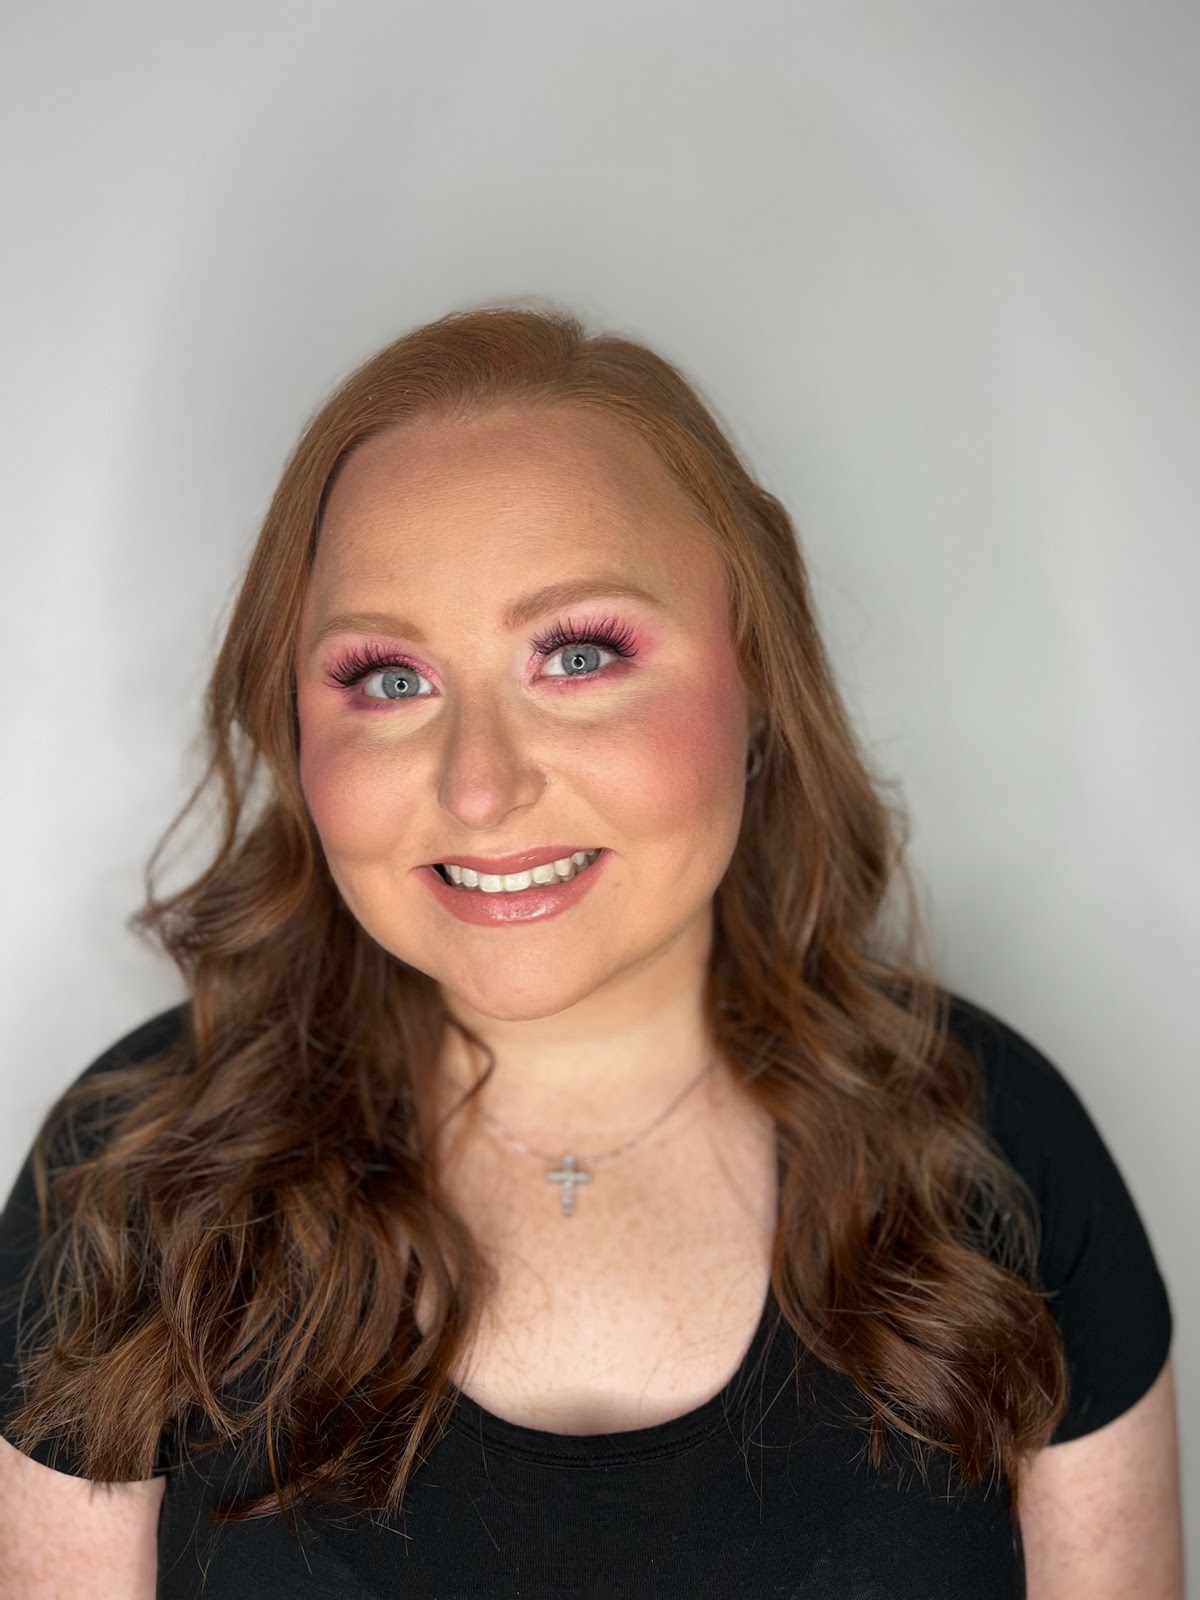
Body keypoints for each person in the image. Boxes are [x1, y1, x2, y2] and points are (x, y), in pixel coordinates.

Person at [0, 304, 1182, 1598]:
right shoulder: (127, 1180)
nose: (480, 787)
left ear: (759, 669)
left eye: (577, 654)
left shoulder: (1003, 1151)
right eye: (389, 678)